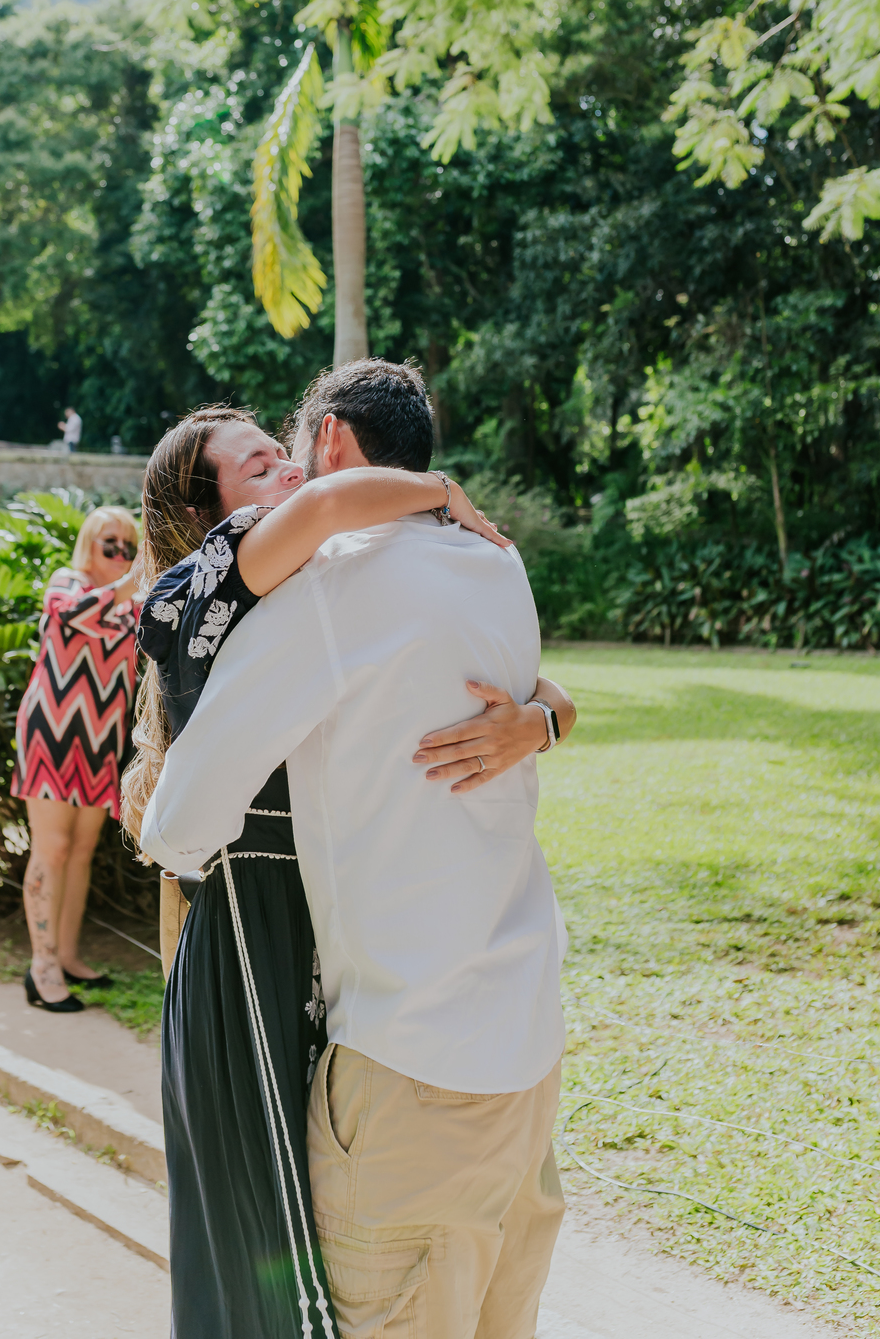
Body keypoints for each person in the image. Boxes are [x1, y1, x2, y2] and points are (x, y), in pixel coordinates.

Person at [126, 381, 573, 1339]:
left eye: (287, 452)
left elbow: (175, 828)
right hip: (509, 1028)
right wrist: (438, 494)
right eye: (257, 465)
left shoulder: (336, 587)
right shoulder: (494, 563)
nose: (287, 472)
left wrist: (539, 721)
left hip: (399, 1036)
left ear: (329, 440)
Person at [12, 504, 141, 1011]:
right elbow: (74, 614)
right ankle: (40, 966)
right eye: (110, 544)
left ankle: (65, 955)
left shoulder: (132, 604)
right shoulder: (67, 582)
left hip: (101, 741)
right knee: (53, 849)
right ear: (89, 543)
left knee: (82, 851)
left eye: (129, 547)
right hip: (53, 735)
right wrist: (134, 578)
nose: (120, 554)